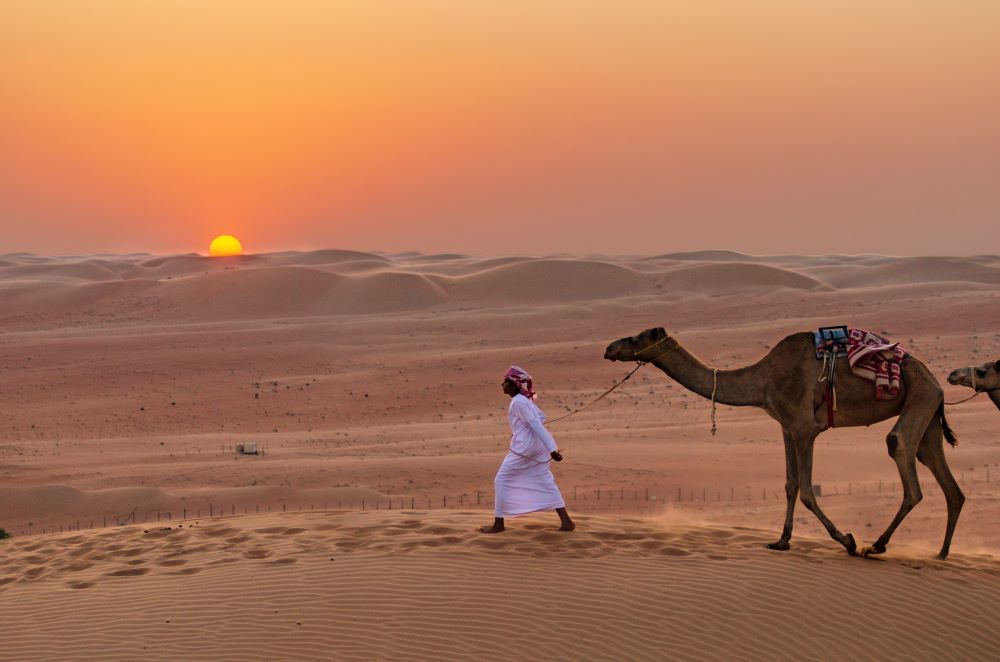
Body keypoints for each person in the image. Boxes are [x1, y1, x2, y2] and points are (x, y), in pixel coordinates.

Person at [480, 366, 575, 533]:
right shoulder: (524, 401)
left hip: (525, 447)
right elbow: (539, 418)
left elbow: (536, 424)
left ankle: (498, 524)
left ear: (514, 385)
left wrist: (553, 450)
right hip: (536, 446)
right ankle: (566, 521)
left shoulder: (518, 402)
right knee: (544, 479)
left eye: (505, 382)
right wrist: (548, 447)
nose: (502, 385)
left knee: (501, 479)